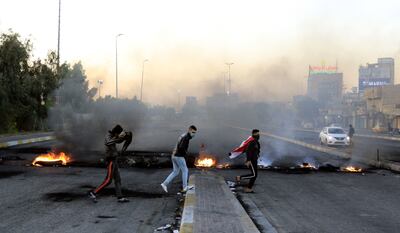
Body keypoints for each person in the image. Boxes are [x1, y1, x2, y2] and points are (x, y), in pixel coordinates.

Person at [88, 124, 132, 203]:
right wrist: (118, 137)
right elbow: (108, 143)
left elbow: (124, 140)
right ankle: (93, 193)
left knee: (118, 180)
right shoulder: (108, 136)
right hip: (110, 160)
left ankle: (120, 197)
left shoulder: (114, 136)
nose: (119, 135)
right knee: (108, 180)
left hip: (114, 159)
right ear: (115, 133)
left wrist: (126, 137)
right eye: (118, 134)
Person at [161, 125, 197, 193]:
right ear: (189, 130)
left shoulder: (183, 135)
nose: (194, 134)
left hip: (174, 155)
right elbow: (181, 147)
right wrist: (185, 154)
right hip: (179, 156)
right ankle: (185, 187)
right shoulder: (186, 138)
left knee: (175, 171)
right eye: (193, 132)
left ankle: (164, 184)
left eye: (195, 132)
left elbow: (178, 145)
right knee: (185, 170)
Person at [235, 129, 261, 193]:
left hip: (254, 160)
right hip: (251, 160)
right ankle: (240, 177)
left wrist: (257, 155)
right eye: (257, 134)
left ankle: (249, 188)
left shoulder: (256, 142)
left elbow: (255, 150)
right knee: (254, 175)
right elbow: (248, 151)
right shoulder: (252, 141)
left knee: (254, 175)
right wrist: (248, 160)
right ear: (254, 134)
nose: (259, 135)